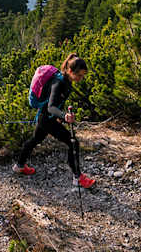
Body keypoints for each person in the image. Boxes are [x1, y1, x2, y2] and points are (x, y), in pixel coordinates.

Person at [13, 54, 96, 188]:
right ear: (70, 71)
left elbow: (56, 103)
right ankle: (77, 177)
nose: (81, 78)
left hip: (45, 118)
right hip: (46, 118)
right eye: (79, 75)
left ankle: (19, 166)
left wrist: (60, 116)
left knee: (35, 139)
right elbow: (51, 107)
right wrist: (64, 116)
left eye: (83, 76)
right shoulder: (58, 83)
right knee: (72, 142)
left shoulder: (66, 81)